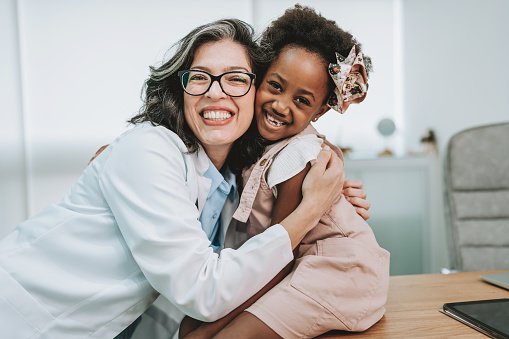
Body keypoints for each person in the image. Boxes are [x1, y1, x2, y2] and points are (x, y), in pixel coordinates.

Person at [0, 18, 348, 339]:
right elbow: (202, 292)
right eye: (199, 77)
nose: (216, 92)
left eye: (236, 78)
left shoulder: (229, 182)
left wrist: (332, 176)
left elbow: (222, 274)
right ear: (179, 91)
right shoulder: (147, 150)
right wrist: (312, 207)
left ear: (255, 92)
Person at [179, 6, 390, 339]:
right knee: (191, 325)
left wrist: (211, 327)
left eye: (302, 100)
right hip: (292, 265)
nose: (281, 105)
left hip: (336, 273)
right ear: (258, 79)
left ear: (320, 111)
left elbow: (279, 252)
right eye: (275, 86)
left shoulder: (299, 158)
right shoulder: (251, 142)